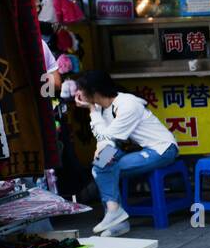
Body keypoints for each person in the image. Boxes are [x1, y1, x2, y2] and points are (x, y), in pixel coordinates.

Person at [73, 70, 179, 235]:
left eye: (81, 89)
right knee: (99, 167)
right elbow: (106, 140)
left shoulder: (127, 104)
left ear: (94, 91)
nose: (77, 93)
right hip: (133, 149)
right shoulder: (102, 107)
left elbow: (107, 136)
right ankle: (116, 218)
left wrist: (92, 111)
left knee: (107, 168)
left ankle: (115, 215)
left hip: (162, 149)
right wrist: (94, 113)